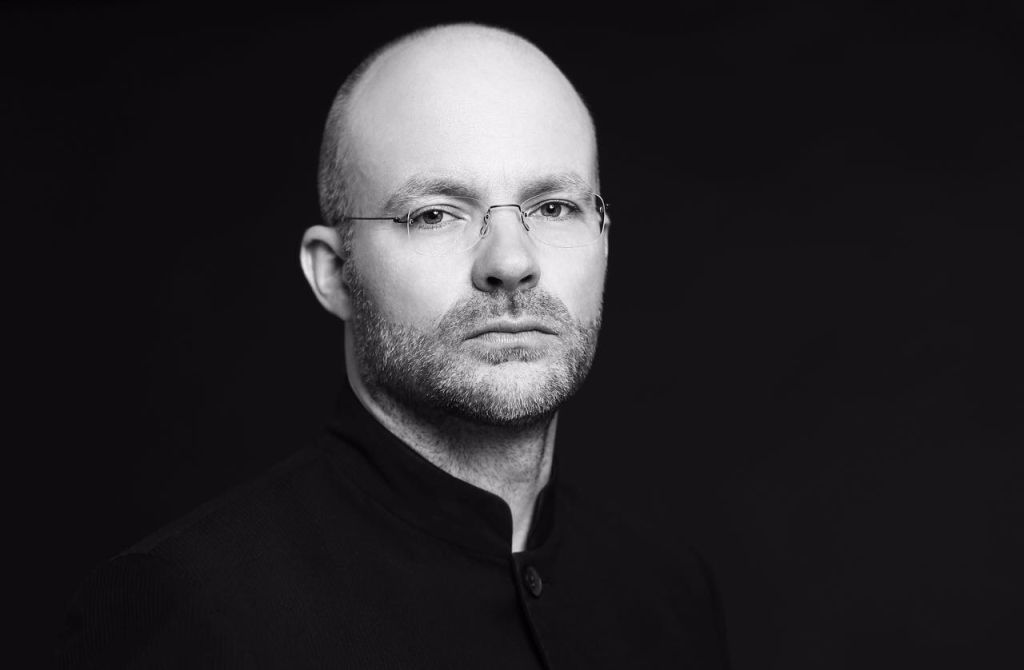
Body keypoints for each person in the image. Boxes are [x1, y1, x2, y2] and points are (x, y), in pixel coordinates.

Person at [57, 23, 730, 669]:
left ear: (604, 238)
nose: (511, 262)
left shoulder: (671, 597)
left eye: (554, 207)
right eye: (435, 214)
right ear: (334, 273)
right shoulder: (193, 609)